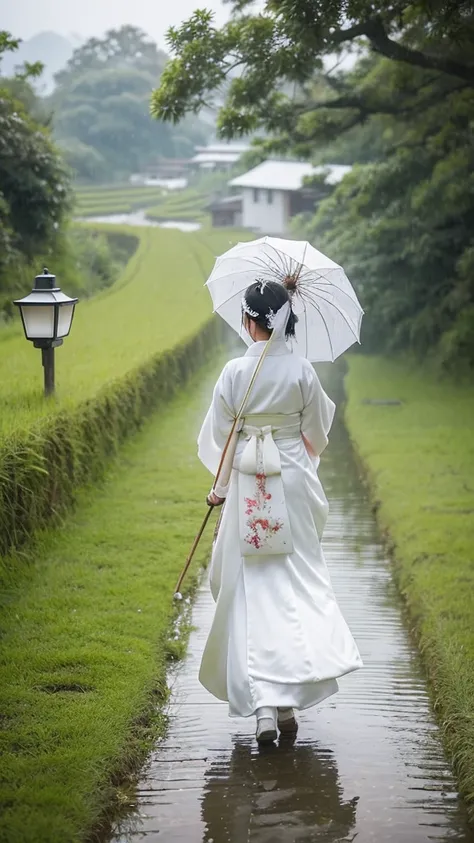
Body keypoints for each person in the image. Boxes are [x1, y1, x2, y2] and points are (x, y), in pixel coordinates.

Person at [197, 279, 362, 744]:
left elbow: (222, 440)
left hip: (250, 478)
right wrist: (295, 450)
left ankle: (265, 709)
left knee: (251, 591)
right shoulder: (303, 371)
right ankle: (286, 703)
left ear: (250, 321)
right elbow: (318, 433)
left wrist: (220, 488)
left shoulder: (233, 372)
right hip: (291, 479)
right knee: (294, 588)